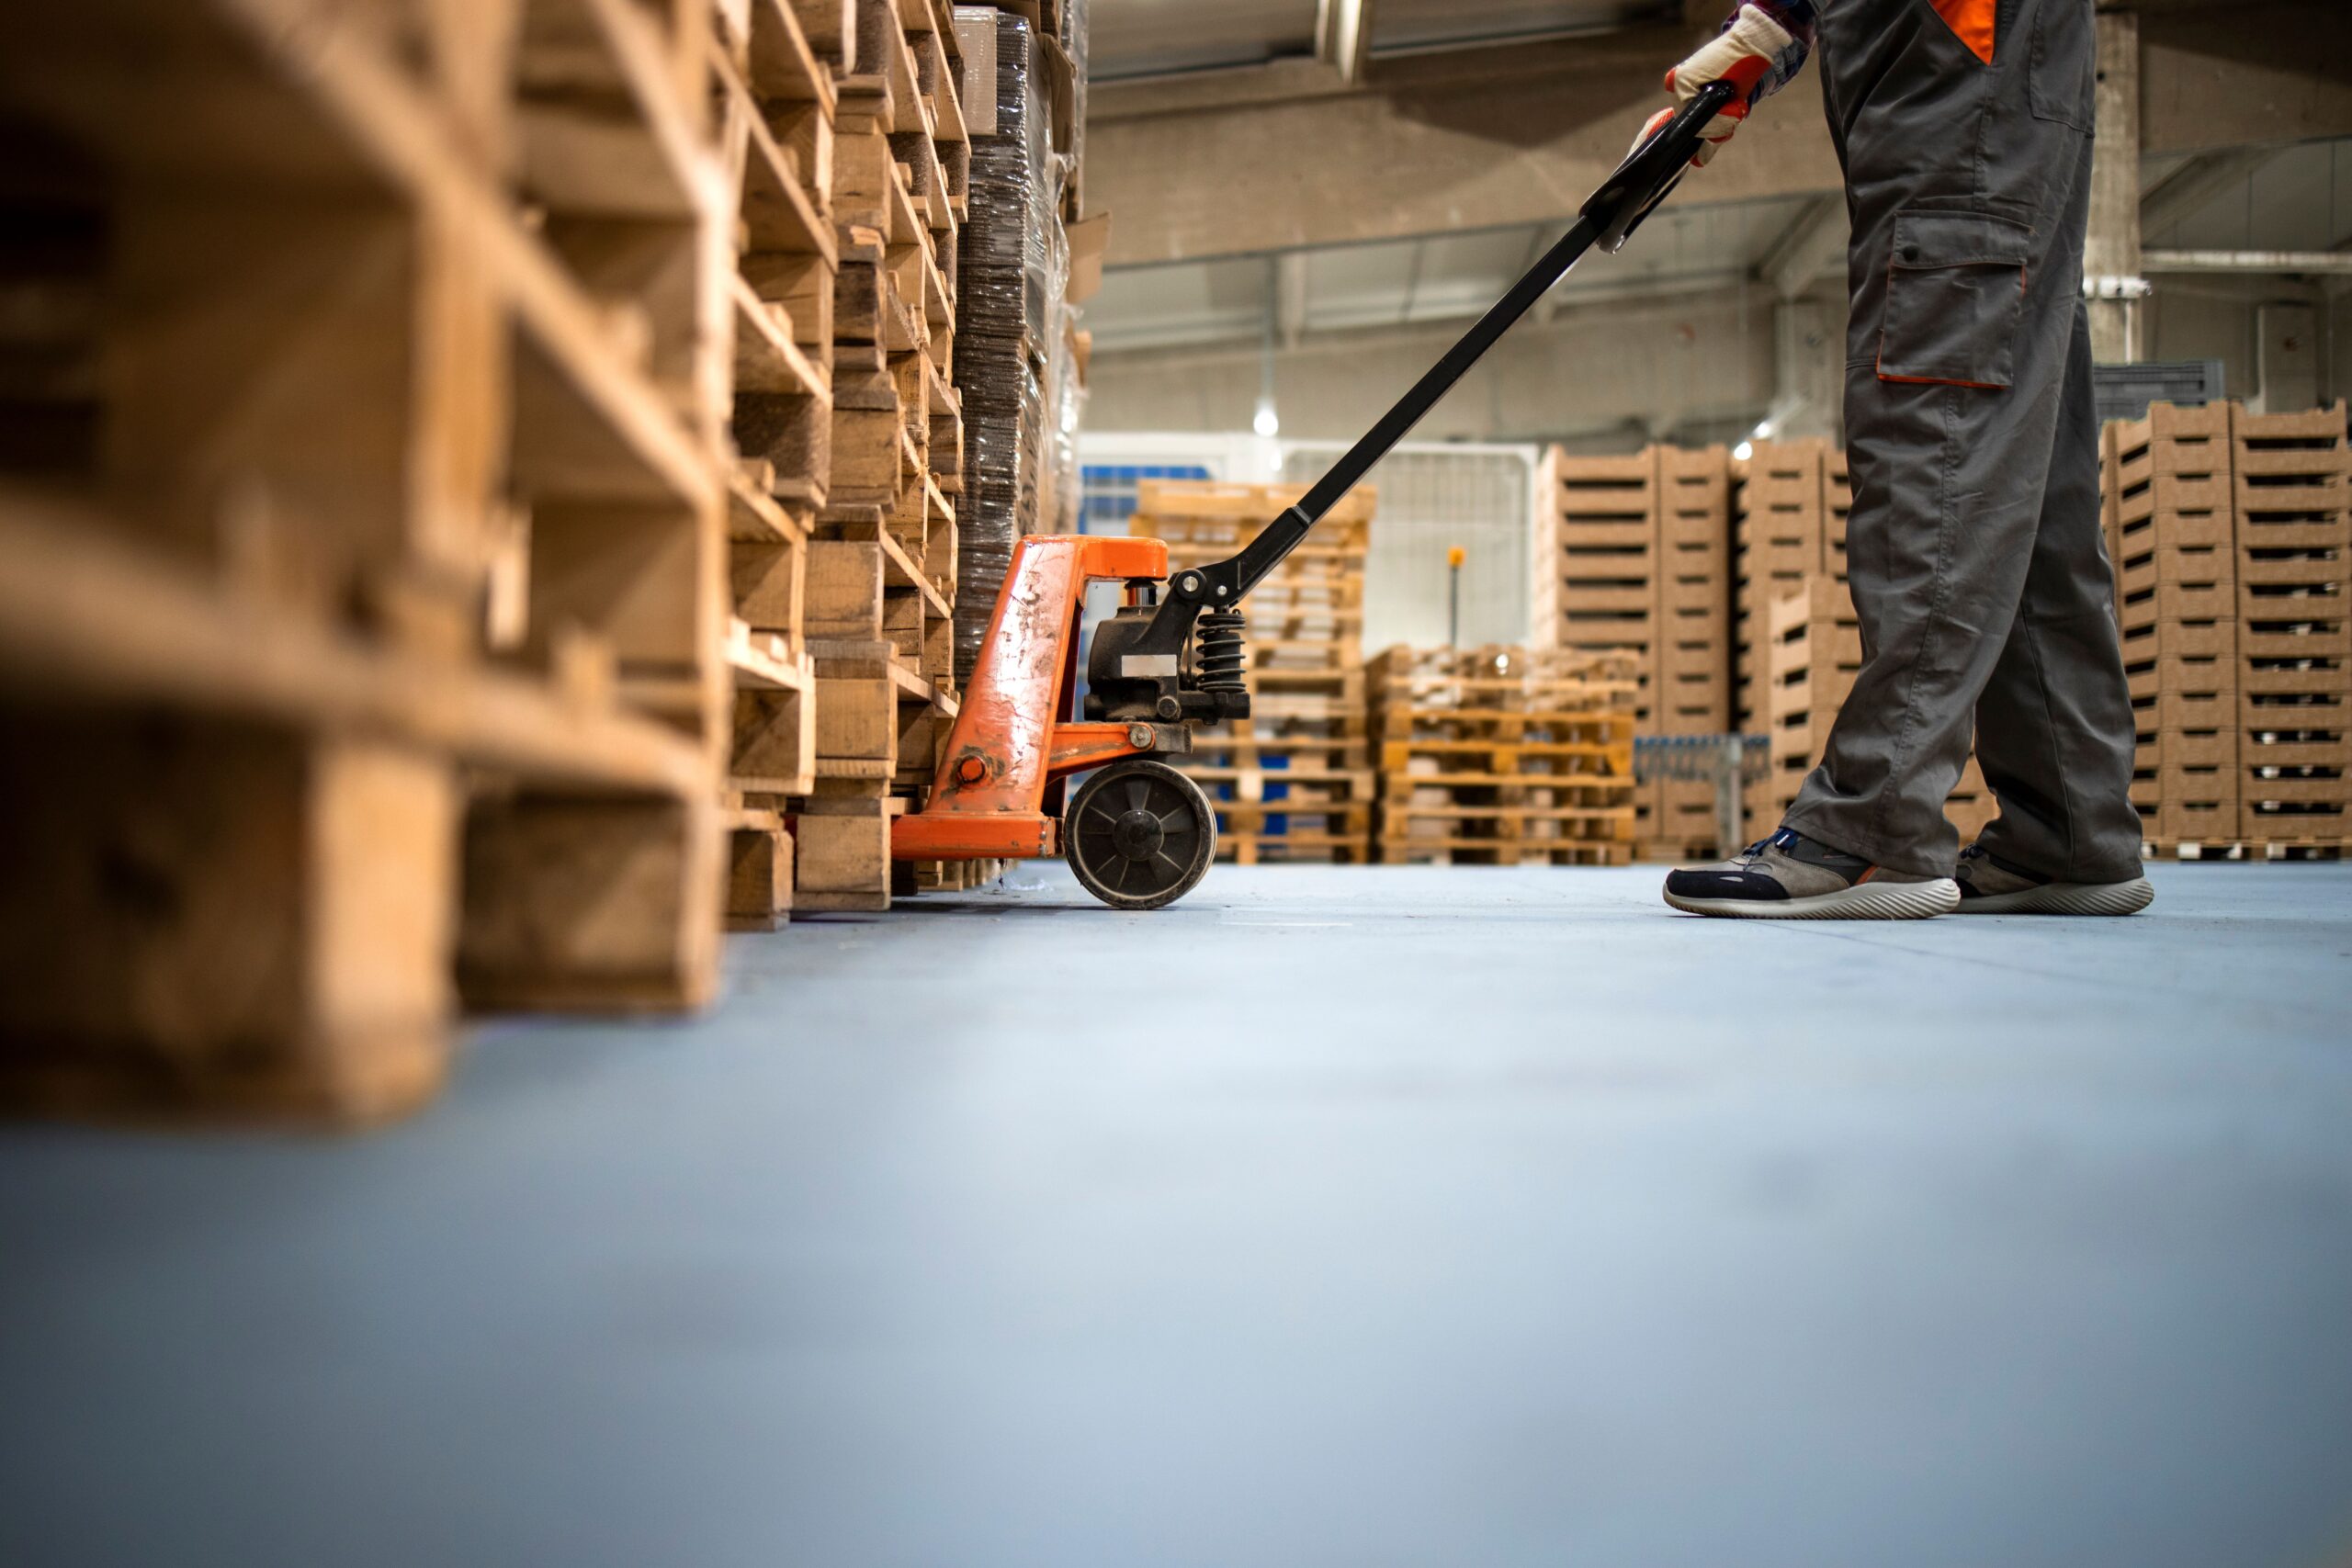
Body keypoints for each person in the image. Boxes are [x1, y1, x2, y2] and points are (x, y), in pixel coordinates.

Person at [1643, 0, 2155, 919]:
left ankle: (1875, 828)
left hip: (1955, 52)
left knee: (1938, 436)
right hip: (1960, 65)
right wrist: (1773, 24)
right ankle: (2068, 829)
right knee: (2013, 450)